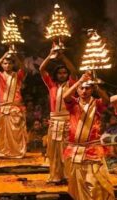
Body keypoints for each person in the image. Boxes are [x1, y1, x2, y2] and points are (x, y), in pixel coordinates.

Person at [63, 72, 114, 200]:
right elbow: (65, 96)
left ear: (92, 90)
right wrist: (79, 81)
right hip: (75, 148)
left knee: (93, 181)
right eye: (81, 88)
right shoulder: (73, 103)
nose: (84, 91)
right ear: (77, 89)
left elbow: (107, 100)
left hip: (92, 147)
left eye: (88, 88)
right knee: (77, 183)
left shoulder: (96, 103)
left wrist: (97, 87)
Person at [40, 47, 77, 184]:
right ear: (56, 75)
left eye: (64, 73)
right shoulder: (51, 85)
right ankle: (57, 175)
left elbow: (74, 71)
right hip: (54, 120)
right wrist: (50, 55)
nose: (62, 75)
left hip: (67, 120)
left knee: (67, 148)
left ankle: (68, 176)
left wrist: (63, 57)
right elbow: (42, 70)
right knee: (55, 150)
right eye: (60, 73)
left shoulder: (71, 84)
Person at [0, 51, 27, 159]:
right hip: (4, 107)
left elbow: (23, 69)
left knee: (16, 132)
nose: (7, 65)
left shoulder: (17, 75)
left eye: (10, 63)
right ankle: (5, 152)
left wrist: (16, 56)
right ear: (2, 64)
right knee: (3, 132)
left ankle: (17, 152)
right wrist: (3, 56)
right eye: (5, 63)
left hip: (15, 107)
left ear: (13, 64)